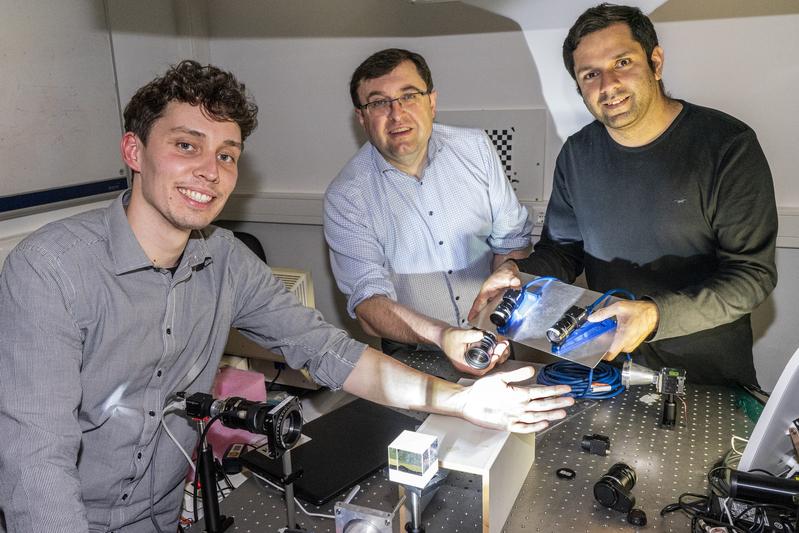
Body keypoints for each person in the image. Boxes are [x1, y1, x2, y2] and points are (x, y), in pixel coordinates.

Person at [0, 60, 572, 533]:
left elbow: (329, 351)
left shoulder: (225, 260)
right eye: (185, 145)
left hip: (166, 516)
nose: (210, 171)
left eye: (226, 154)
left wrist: (460, 401)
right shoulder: (50, 270)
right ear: (134, 151)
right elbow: (35, 466)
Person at [470, 3, 777, 386]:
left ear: (656, 62)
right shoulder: (578, 154)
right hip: (607, 370)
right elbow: (563, 252)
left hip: (705, 378)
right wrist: (516, 274)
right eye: (590, 74)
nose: (607, 85)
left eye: (622, 63)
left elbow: (753, 276)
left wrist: (654, 314)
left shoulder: (727, 146)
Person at [324, 48, 533, 377]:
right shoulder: (347, 196)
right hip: (411, 356)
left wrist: (498, 312)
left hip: (494, 340)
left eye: (409, 96)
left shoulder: (476, 149)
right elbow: (368, 304)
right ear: (361, 117)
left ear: (431, 102)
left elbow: (511, 243)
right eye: (379, 102)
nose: (397, 113)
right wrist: (442, 335)